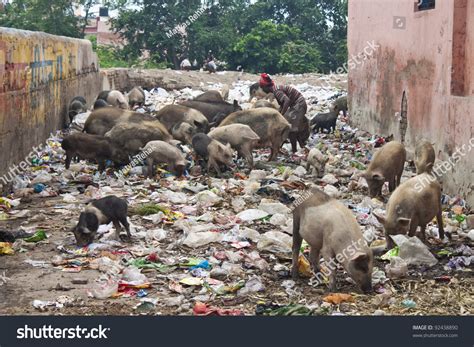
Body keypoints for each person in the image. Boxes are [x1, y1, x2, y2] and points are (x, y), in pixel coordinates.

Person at [259, 73, 309, 152]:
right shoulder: (276, 90)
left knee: (292, 128)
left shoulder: (276, 91)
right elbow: (283, 104)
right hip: (297, 104)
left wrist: (281, 115)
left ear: (266, 87)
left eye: (262, 87)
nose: (262, 90)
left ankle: (294, 150)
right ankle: (301, 145)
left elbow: (287, 101)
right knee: (290, 124)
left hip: (299, 105)